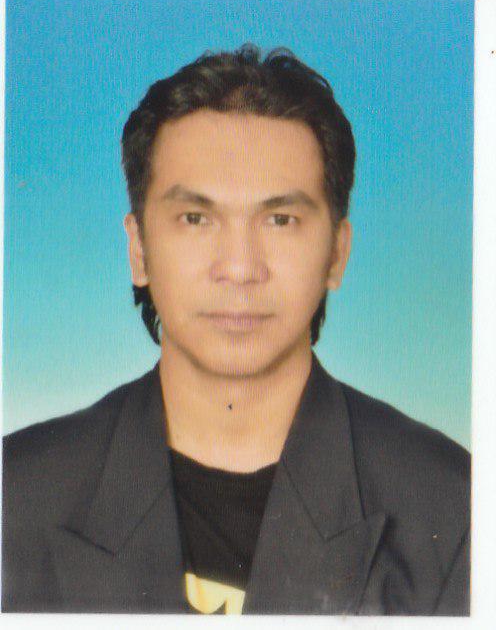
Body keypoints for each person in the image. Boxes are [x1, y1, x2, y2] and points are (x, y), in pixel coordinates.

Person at [2, 45, 470, 615]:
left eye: (280, 220)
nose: (241, 267)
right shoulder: (16, 494)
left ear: (337, 253)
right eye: (196, 218)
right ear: (139, 249)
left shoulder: (458, 511)